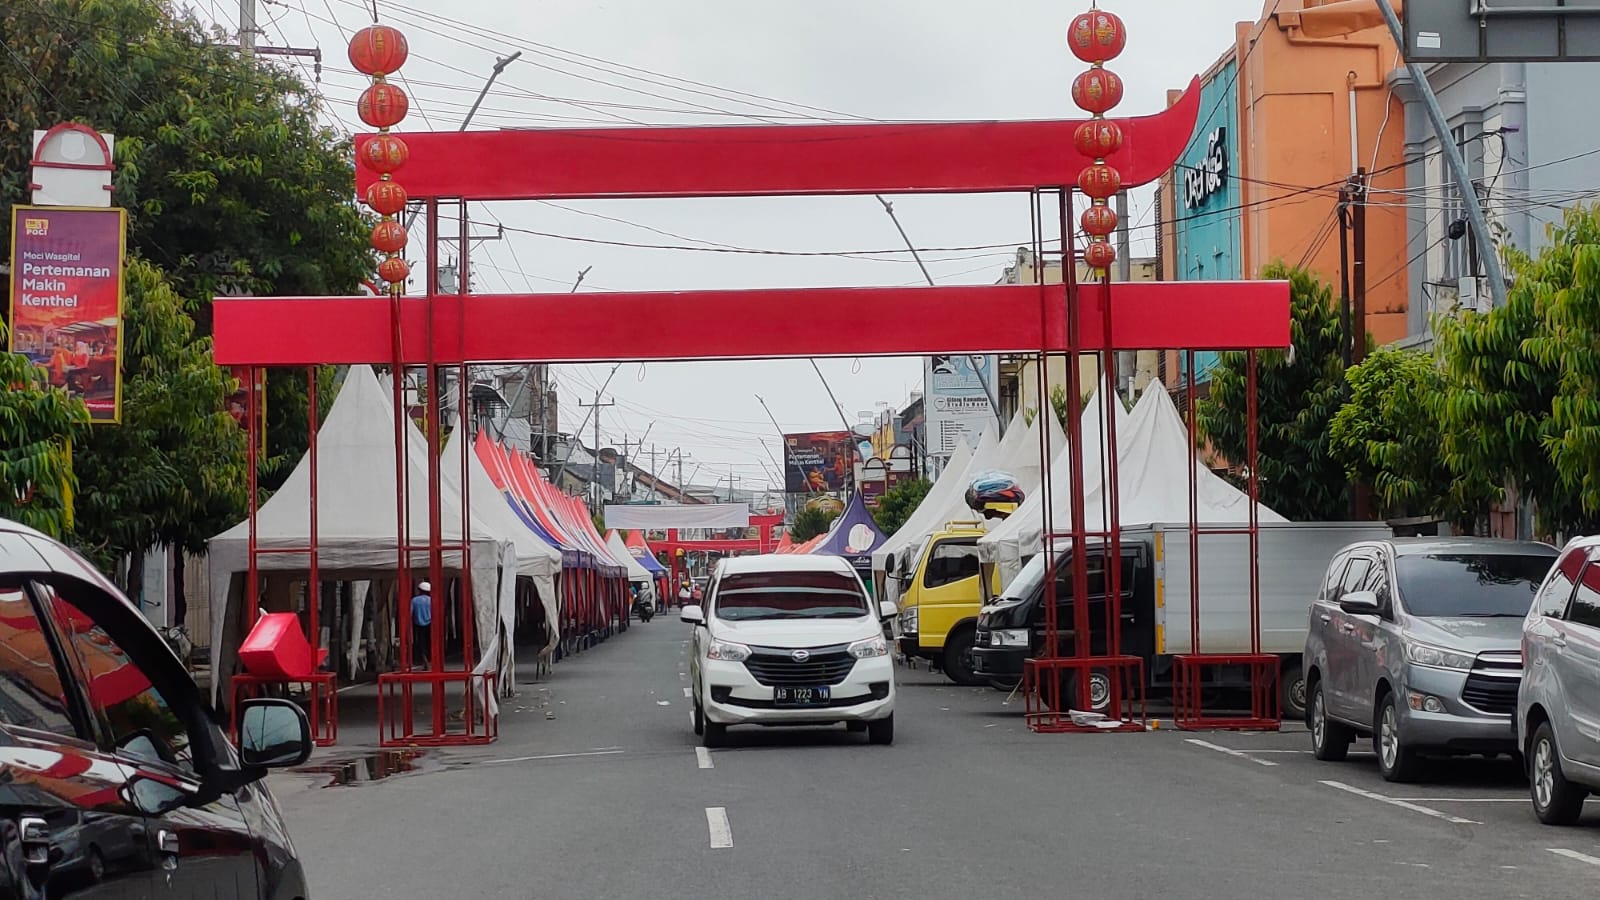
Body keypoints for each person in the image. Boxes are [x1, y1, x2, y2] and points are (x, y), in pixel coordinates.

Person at [411, 580, 433, 668]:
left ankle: (425, 662)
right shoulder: (431, 600)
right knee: (429, 643)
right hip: (430, 624)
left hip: (418, 625)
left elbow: (410, 613)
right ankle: (429, 661)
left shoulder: (414, 600)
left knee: (421, 644)